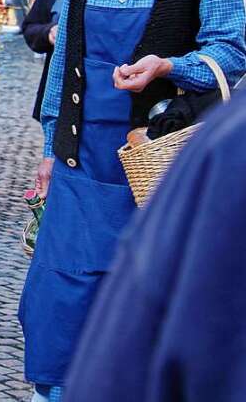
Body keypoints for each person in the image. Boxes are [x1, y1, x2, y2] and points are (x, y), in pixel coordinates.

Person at [19, 0, 246, 402]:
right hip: (80, 158)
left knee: (142, 288)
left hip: (153, 161)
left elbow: (232, 46)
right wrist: (49, 147)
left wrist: (168, 67)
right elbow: (66, 47)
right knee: (59, 293)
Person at [63, 87, 246, 401]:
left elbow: (121, 364)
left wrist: (168, 65)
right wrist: (53, 142)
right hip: (87, 160)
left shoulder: (231, 146)